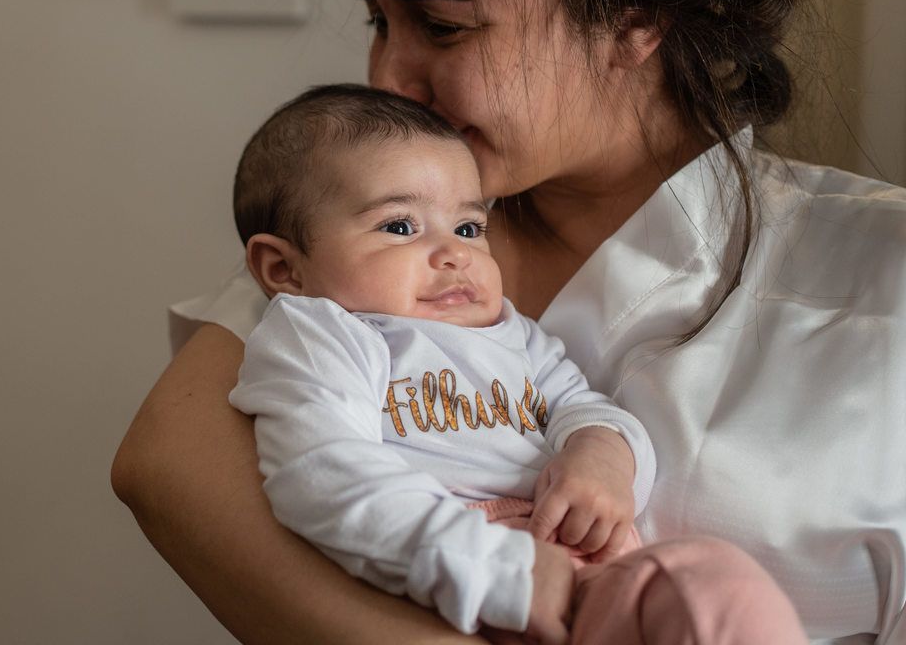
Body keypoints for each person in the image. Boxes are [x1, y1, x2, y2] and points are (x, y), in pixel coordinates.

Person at [112, 0, 906, 643]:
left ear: (635, 14)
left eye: (442, 25)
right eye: (378, 21)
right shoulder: (377, 239)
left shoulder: (874, 276)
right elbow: (167, 466)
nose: (386, 76)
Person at [228, 83, 806, 644]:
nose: (454, 252)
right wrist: (495, 567)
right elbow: (322, 472)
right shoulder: (324, 333)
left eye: (469, 227)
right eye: (399, 227)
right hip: (454, 578)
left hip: (583, 561)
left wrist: (601, 456)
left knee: (715, 586)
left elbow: (581, 408)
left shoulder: (512, 333)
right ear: (284, 270)